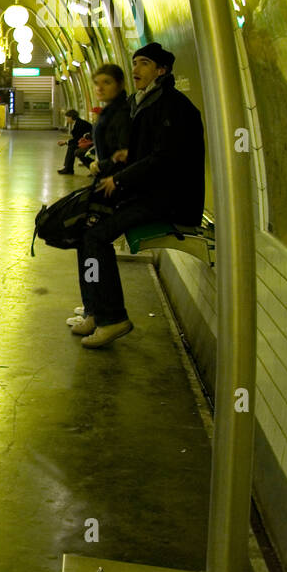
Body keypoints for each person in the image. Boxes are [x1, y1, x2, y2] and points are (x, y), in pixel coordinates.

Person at [68, 42, 205, 348]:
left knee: (95, 235)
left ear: (161, 70)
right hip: (148, 193)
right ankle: (95, 309)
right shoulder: (145, 102)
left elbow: (164, 159)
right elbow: (136, 154)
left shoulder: (171, 106)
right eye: (134, 62)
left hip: (169, 201)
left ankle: (112, 317)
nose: (136, 69)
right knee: (85, 227)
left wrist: (119, 179)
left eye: (144, 63)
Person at [67, 63, 132, 325]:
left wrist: (100, 165)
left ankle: (101, 312)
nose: (100, 88)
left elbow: (125, 153)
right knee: (85, 242)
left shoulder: (121, 114)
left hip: (113, 188)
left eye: (106, 82)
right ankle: (92, 307)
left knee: (90, 241)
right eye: (97, 83)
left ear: (119, 84)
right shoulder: (111, 111)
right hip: (105, 184)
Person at [57, 108, 93, 174]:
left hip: (90, 143)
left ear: (71, 117)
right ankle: (68, 168)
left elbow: (77, 139)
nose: (66, 119)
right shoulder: (78, 122)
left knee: (72, 147)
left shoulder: (79, 124)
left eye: (67, 118)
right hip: (87, 142)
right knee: (72, 146)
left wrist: (65, 142)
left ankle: (68, 169)